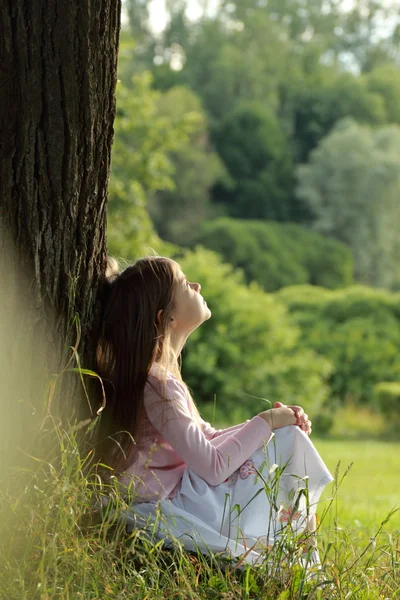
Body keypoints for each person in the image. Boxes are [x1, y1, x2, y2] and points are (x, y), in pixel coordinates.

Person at [94, 255, 333, 566]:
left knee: (284, 437)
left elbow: (209, 437)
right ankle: (302, 558)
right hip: (171, 503)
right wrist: (267, 421)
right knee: (287, 443)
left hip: (183, 493)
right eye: (184, 283)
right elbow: (213, 466)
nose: (197, 285)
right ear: (166, 318)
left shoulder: (161, 380)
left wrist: (276, 423)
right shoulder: (157, 386)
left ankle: (300, 553)